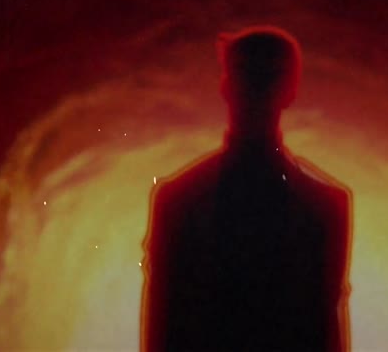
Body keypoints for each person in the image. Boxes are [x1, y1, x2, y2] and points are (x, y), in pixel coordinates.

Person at [140, 26, 352, 352]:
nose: (255, 90)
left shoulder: (177, 200)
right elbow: (327, 329)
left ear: (226, 86)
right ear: (291, 91)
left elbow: (161, 331)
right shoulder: (326, 206)